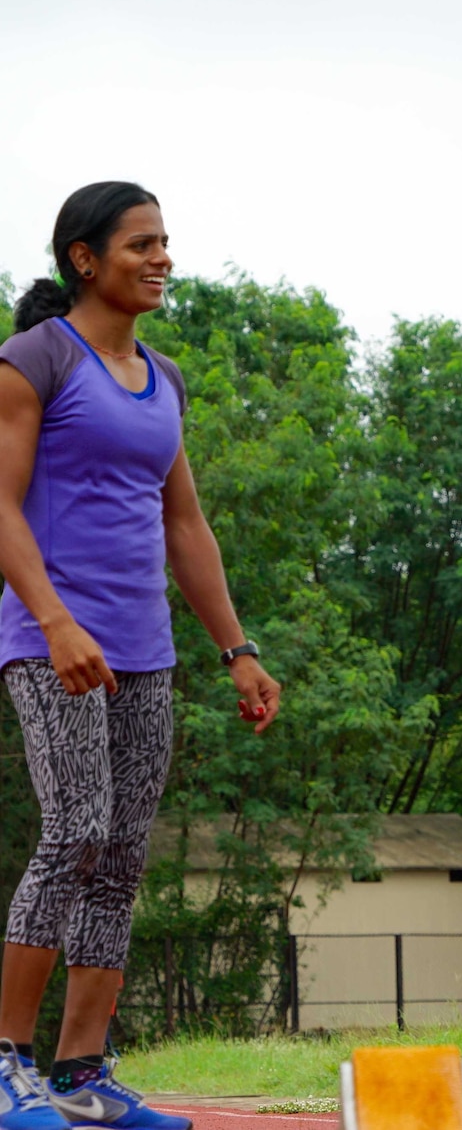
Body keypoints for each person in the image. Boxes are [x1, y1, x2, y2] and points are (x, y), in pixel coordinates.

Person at [0, 181, 282, 1130]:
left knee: (120, 856)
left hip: (144, 651)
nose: (162, 258)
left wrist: (236, 647)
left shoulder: (164, 378)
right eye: (140, 244)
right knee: (75, 831)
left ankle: (83, 1069)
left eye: (166, 243)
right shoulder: (34, 358)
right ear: (85, 257)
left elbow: (184, 521)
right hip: (53, 642)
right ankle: (7, 1065)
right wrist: (53, 620)